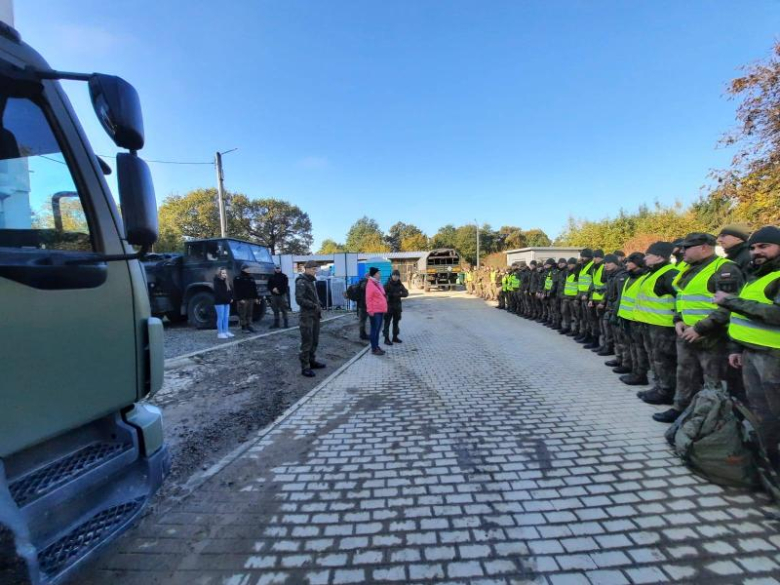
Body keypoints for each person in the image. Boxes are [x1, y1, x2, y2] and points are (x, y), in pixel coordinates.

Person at [651, 233, 744, 423]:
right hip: (686, 333)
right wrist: (678, 319)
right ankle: (681, 409)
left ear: (704, 247)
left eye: (687, 247)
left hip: (713, 337)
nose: (682, 251)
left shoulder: (725, 269)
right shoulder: (687, 268)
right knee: (685, 374)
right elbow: (681, 298)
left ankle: (713, 420)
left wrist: (700, 329)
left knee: (714, 381)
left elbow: (729, 307)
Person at [717, 226, 780, 469]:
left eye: (764, 246)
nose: (756, 252)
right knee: (761, 412)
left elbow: (775, 314)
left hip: (774, 357)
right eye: (753, 247)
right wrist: (735, 348)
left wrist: (731, 301)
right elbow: (740, 317)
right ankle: (768, 457)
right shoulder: (757, 276)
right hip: (751, 353)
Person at [632, 242, 679, 405]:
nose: (645, 258)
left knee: (663, 360)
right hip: (650, 324)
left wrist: (678, 319)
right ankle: (659, 387)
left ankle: (667, 391)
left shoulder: (670, 274)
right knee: (654, 358)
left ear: (659, 257)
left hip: (663, 326)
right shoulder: (652, 273)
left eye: (648, 255)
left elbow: (681, 298)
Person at [296, 261, 326, 377]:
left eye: (316, 269)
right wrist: (313, 305)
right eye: (313, 269)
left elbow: (312, 296)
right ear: (307, 269)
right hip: (306, 316)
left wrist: (318, 303)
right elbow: (300, 299)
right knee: (307, 342)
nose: (315, 271)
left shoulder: (310, 281)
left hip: (314, 315)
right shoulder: (301, 282)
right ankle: (305, 367)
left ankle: (312, 361)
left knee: (314, 340)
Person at [366, 267, 388, 355]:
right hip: (374, 311)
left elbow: (382, 294)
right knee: (374, 330)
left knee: (377, 330)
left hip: (380, 310)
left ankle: (376, 346)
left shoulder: (377, 283)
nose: (380, 274)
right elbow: (368, 298)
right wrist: (370, 310)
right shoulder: (370, 284)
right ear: (374, 274)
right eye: (378, 273)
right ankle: (374, 349)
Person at [384, 269, 409, 345]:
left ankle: (395, 337)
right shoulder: (387, 284)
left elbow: (406, 293)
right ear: (392, 276)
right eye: (394, 275)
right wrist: (390, 295)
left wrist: (398, 294)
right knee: (387, 323)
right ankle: (386, 339)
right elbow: (383, 294)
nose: (395, 277)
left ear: (399, 277)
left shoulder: (400, 284)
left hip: (397, 308)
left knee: (396, 323)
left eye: (397, 275)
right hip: (389, 307)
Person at [233, 264, 258, 333]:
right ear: (242, 269)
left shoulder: (251, 278)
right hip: (243, 299)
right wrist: (240, 299)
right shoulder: (238, 278)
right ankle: (243, 327)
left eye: (248, 268)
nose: (248, 270)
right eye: (246, 268)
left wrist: (256, 298)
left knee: (249, 312)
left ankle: (249, 326)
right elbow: (236, 290)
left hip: (250, 298)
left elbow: (254, 289)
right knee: (242, 313)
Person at [213, 267, 234, 339]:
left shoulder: (226, 282)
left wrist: (231, 298)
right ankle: (220, 332)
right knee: (220, 317)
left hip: (226, 302)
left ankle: (226, 331)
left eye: (225, 273)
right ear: (219, 274)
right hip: (219, 302)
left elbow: (230, 291)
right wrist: (228, 299)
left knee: (226, 317)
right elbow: (219, 293)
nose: (224, 274)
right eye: (223, 273)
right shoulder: (217, 282)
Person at [267, 264, 290, 329]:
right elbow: (269, 286)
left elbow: (285, 286)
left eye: (278, 268)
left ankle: (286, 323)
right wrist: (273, 289)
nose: (277, 269)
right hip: (274, 296)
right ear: (274, 269)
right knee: (275, 310)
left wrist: (278, 290)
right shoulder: (271, 277)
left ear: (280, 269)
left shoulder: (284, 276)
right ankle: (276, 323)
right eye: (276, 268)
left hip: (282, 295)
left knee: (284, 309)